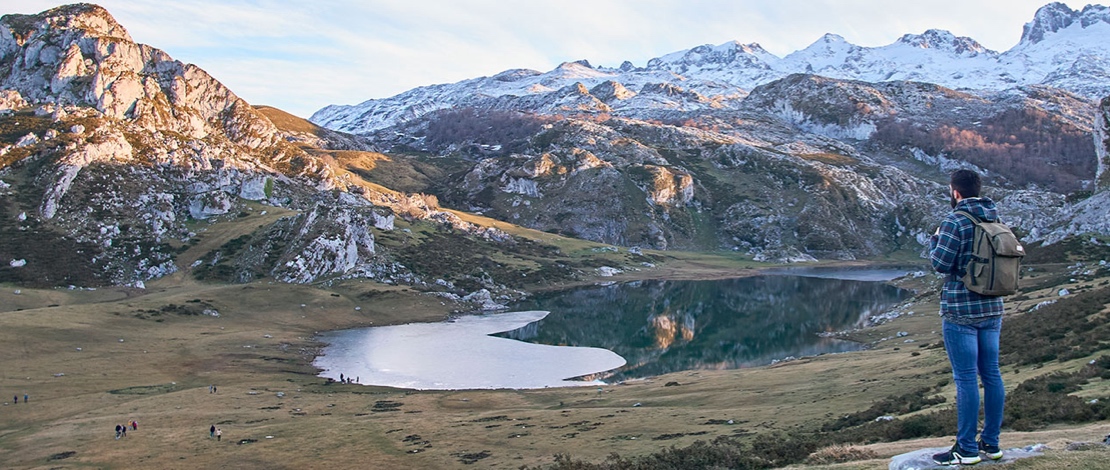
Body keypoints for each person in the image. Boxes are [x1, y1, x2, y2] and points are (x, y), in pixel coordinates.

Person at [929, 169, 1006, 466]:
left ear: (955, 192)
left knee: (965, 378)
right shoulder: (994, 218)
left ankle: (966, 449)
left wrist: (934, 240)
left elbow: (940, 264)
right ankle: (991, 444)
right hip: (993, 309)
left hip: (961, 311)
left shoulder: (954, 221)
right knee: (992, 374)